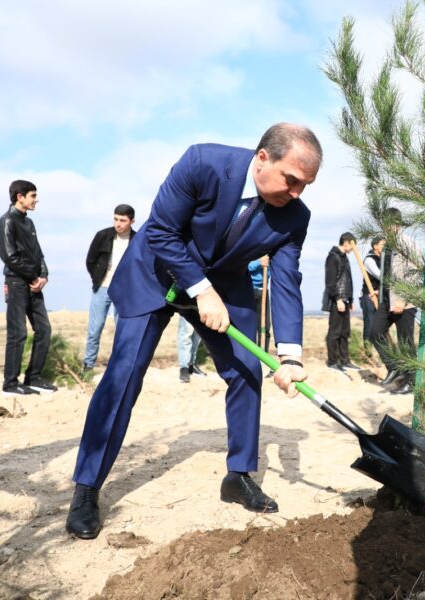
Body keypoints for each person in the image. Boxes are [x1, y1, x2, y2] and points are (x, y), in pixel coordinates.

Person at [65, 123, 322, 540]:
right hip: (155, 273)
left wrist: (291, 354)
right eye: (291, 180)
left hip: (223, 284)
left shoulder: (295, 216)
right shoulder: (203, 163)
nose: (295, 194)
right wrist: (201, 290)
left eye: (305, 186)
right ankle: (87, 487)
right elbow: (163, 231)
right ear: (262, 159)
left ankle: (238, 476)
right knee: (124, 375)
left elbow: (287, 280)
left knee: (245, 371)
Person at [0, 180, 57, 397]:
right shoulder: (6, 222)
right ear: (20, 196)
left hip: (34, 284)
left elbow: (38, 252)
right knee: (18, 333)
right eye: (33, 195)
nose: (36, 199)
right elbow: (9, 256)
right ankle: (10, 384)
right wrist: (33, 277)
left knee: (44, 330)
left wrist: (44, 276)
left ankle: (34, 378)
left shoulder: (29, 223)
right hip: (17, 283)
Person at [370, 208, 419, 395]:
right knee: (375, 332)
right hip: (387, 298)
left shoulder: (408, 244)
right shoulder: (388, 245)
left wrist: (404, 300)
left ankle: (411, 381)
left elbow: (415, 275)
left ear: (397, 224)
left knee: (406, 342)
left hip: (404, 303)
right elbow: (389, 273)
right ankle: (394, 367)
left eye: (389, 223)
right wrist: (380, 290)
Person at [83, 204, 136, 372]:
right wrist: (97, 278)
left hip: (124, 291)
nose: (118, 223)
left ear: (131, 221)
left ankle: (117, 365)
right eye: (115, 219)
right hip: (102, 288)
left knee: (122, 330)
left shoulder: (138, 239)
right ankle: (88, 365)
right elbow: (90, 260)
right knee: (95, 329)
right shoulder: (103, 235)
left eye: (122, 220)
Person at [322, 232, 358, 372]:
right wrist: (338, 299)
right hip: (337, 301)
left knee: (345, 332)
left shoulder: (344, 258)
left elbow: (348, 280)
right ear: (347, 242)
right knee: (335, 332)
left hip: (345, 300)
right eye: (353, 244)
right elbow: (330, 282)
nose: (353, 248)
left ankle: (344, 361)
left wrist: (350, 299)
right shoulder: (333, 257)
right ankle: (332, 362)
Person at [359, 236, 385, 343]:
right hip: (369, 295)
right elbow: (380, 276)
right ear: (375, 246)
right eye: (382, 245)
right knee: (369, 323)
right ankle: (367, 350)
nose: (385, 247)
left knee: (381, 324)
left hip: (380, 294)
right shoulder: (369, 259)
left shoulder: (383, 258)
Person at [249, 256, 271, 353]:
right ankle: (250, 353)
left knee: (265, 325)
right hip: (249, 289)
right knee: (250, 325)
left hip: (264, 290)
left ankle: (263, 353)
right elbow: (243, 267)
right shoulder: (250, 248)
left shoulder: (270, 252)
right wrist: (259, 262)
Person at [177, 315, 204, 382]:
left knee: (197, 334)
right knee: (186, 334)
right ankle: (184, 368)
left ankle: (192, 365)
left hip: (201, 308)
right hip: (187, 306)